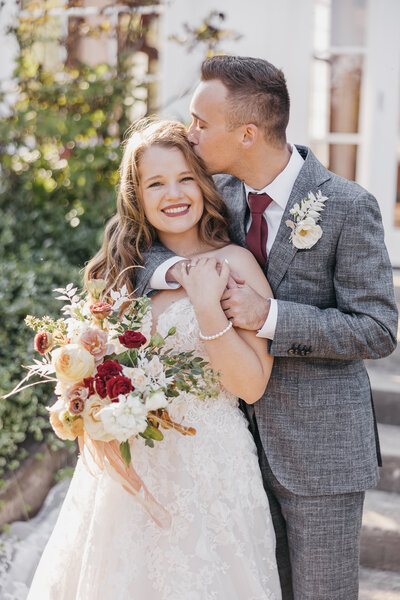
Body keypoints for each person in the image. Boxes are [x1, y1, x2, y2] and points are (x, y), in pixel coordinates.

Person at [134, 56, 399, 600]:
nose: (191, 132)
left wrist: (269, 315)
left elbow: (378, 328)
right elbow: (144, 245)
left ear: (248, 133)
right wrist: (178, 273)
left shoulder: (349, 207)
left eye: (201, 122)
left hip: (320, 453)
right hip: (234, 451)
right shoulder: (222, 195)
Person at [26, 119, 282, 600]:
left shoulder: (238, 264)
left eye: (186, 178)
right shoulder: (122, 273)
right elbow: (98, 371)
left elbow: (251, 386)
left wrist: (207, 305)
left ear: (205, 185)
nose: (174, 193)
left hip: (213, 467)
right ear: (136, 195)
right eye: (156, 183)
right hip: (131, 470)